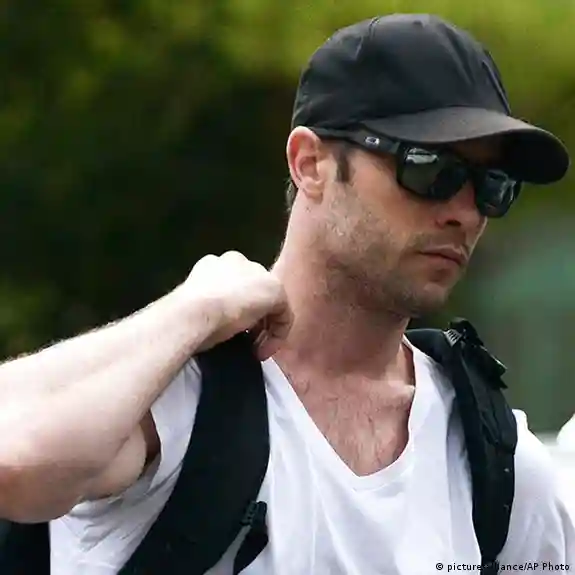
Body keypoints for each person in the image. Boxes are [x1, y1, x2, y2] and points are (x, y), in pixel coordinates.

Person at [2, 12, 572, 573]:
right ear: (310, 164)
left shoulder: (492, 458)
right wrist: (191, 310)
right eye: (431, 169)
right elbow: (14, 464)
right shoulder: (185, 396)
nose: (465, 213)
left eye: (493, 186)